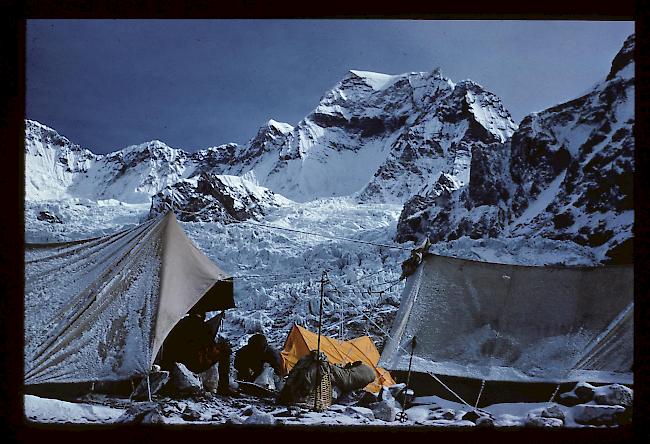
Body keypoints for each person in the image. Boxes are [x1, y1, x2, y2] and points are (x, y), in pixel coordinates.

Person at [159, 311, 239, 396]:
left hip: (173, 361)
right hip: (192, 362)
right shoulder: (203, 327)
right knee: (225, 352)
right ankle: (223, 387)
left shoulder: (179, 324)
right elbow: (209, 345)